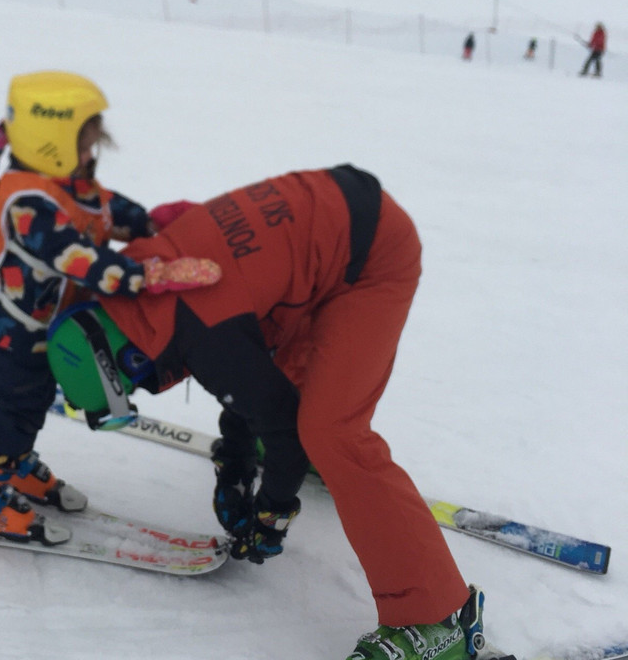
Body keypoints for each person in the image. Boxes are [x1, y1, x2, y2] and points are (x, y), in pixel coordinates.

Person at [46, 165, 487, 660]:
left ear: (125, 360)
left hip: (370, 255)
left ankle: (438, 619)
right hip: (321, 240)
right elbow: (247, 369)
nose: (145, 390)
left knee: (329, 431)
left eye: (132, 390)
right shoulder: (150, 281)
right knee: (290, 406)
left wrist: (271, 512)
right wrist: (235, 464)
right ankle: (312, 449)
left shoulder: (202, 330)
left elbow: (254, 393)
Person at [0, 71, 219, 542]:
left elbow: (103, 209)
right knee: (19, 408)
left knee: (29, 404)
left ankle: (9, 462)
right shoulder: (28, 204)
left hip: (35, 325)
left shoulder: (63, 183)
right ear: (49, 142)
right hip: (13, 331)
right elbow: (80, 260)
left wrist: (151, 224)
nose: (90, 156)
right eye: (84, 146)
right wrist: (148, 276)